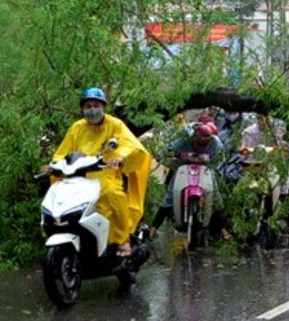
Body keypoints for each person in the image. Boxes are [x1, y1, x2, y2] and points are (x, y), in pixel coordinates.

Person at [44, 88, 152, 257]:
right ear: (82, 109)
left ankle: (123, 240)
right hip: (79, 177)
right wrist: (54, 165)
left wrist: (120, 157)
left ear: (103, 107)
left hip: (105, 174)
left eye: (96, 105)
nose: (92, 109)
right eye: (88, 106)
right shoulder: (76, 128)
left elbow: (128, 143)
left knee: (113, 195)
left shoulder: (115, 124)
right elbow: (62, 152)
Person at [150, 120, 223, 238]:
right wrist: (178, 155)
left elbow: (220, 158)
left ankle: (223, 228)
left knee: (214, 194)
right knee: (171, 194)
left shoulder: (216, 143)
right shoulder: (183, 139)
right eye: (200, 142)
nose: (202, 146)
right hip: (182, 166)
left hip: (205, 168)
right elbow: (165, 152)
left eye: (206, 142)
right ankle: (154, 228)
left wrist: (209, 160)